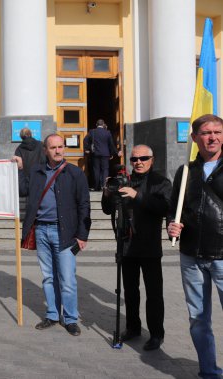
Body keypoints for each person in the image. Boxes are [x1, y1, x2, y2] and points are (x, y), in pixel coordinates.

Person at [13, 134, 91, 336]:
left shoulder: (75, 173)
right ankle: (53, 315)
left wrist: (82, 235)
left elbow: (84, 205)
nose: (58, 151)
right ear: (45, 150)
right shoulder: (37, 171)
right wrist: (20, 169)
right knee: (48, 277)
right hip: (41, 230)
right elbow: (22, 190)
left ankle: (71, 318)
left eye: (61, 147)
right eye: (53, 147)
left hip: (64, 232)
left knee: (67, 279)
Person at [168, 114, 223, 378]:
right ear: (195, 138)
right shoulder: (186, 171)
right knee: (199, 320)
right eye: (206, 132)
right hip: (191, 255)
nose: (213, 137)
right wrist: (172, 224)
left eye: (218, 132)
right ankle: (208, 372)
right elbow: (174, 209)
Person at [101, 145, 172, 350]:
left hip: (149, 245)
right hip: (126, 244)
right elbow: (107, 210)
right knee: (130, 291)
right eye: (134, 159)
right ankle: (133, 328)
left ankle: (157, 334)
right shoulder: (124, 180)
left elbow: (164, 207)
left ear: (152, 159)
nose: (138, 162)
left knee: (154, 293)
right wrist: (107, 193)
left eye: (143, 158)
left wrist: (136, 195)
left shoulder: (161, 182)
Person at [84, 119, 121, 190]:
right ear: (103, 124)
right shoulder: (107, 133)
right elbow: (111, 144)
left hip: (95, 154)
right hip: (105, 154)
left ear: (96, 124)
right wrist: (116, 152)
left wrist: (87, 149)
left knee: (96, 170)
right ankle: (104, 185)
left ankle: (96, 186)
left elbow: (85, 140)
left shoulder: (92, 131)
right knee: (105, 170)